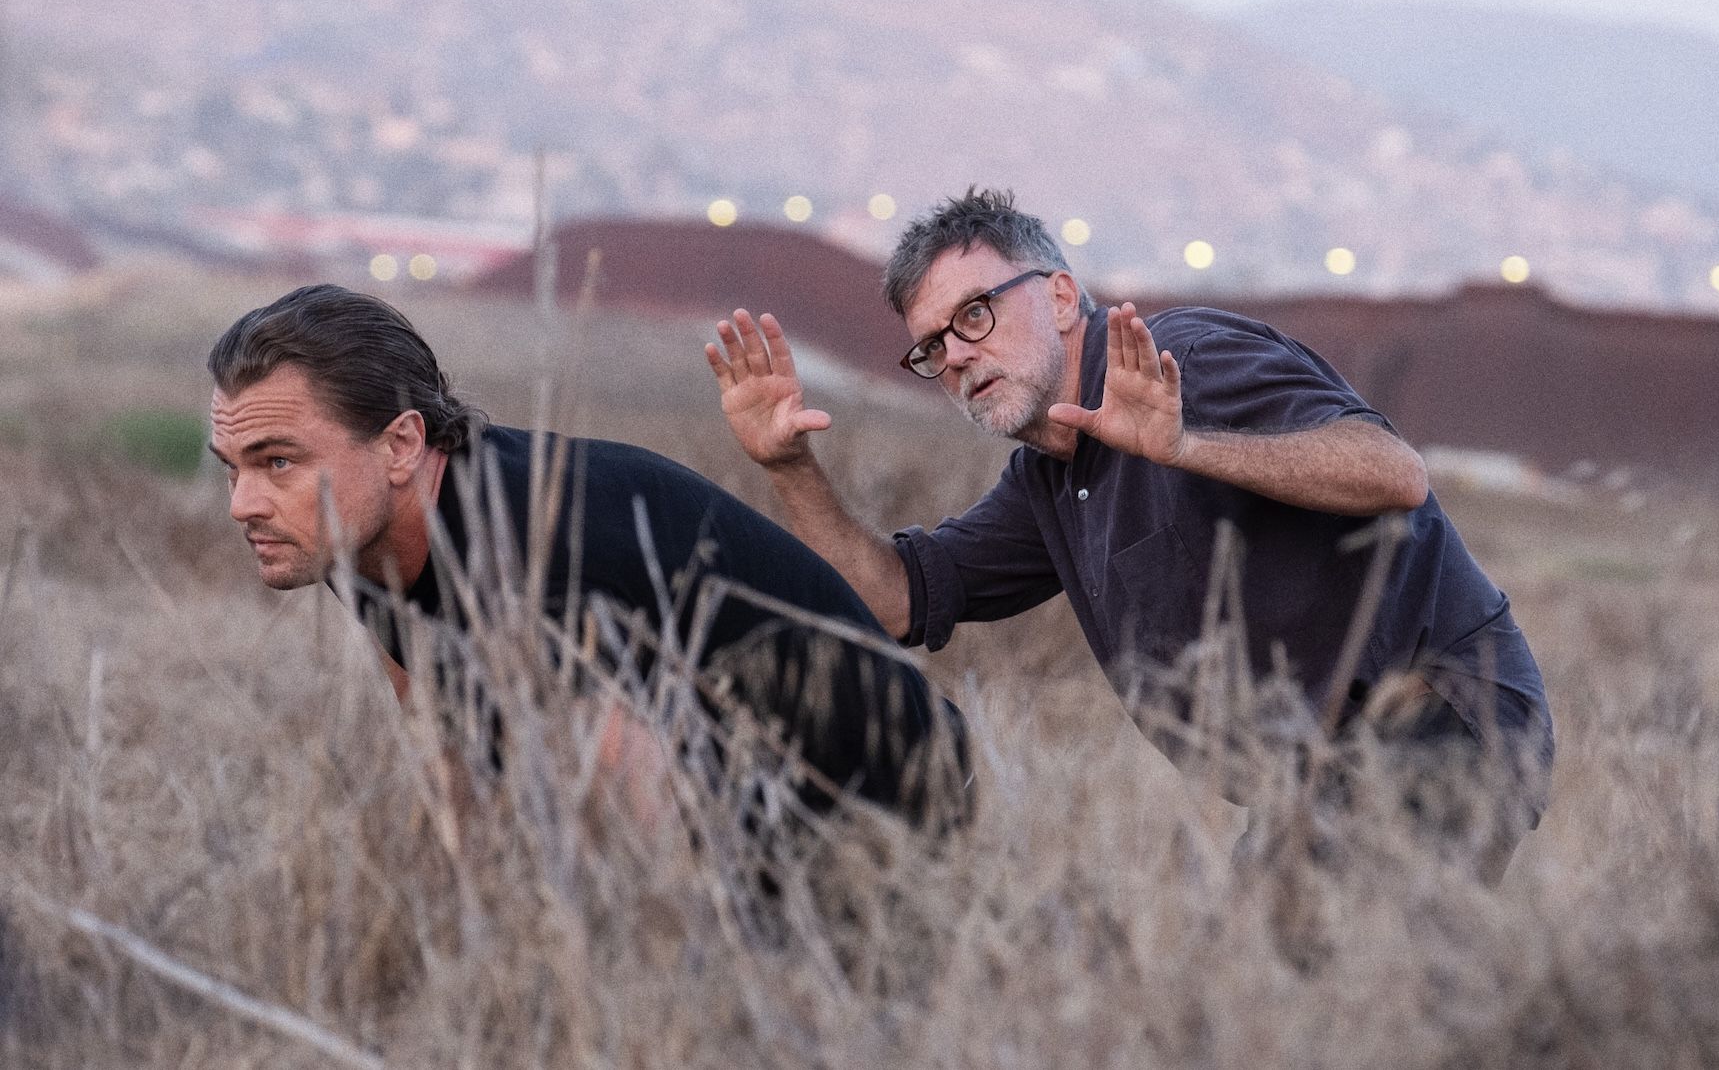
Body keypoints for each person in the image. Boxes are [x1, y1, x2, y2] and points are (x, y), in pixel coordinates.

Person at [707, 188, 1553, 861]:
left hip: (1441, 717)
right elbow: (895, 600)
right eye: (932, 348)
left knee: (1304, 987)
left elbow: (1394, 474)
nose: (957, 355)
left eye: (975, 315)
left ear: (1063, 296)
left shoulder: (1182, 358)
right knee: (1256, 989)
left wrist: (1185, 445)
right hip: (1315, 779)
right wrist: (789, 469)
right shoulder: (1047, 479)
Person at [206, 283, 968, 828]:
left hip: (898, 818)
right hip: (738, 811)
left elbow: (648, 850)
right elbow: (446, 755)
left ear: (403, 443)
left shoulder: (533, 543)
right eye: (231, 465)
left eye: (278, 462)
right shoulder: (362, 527)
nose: (244, 504)